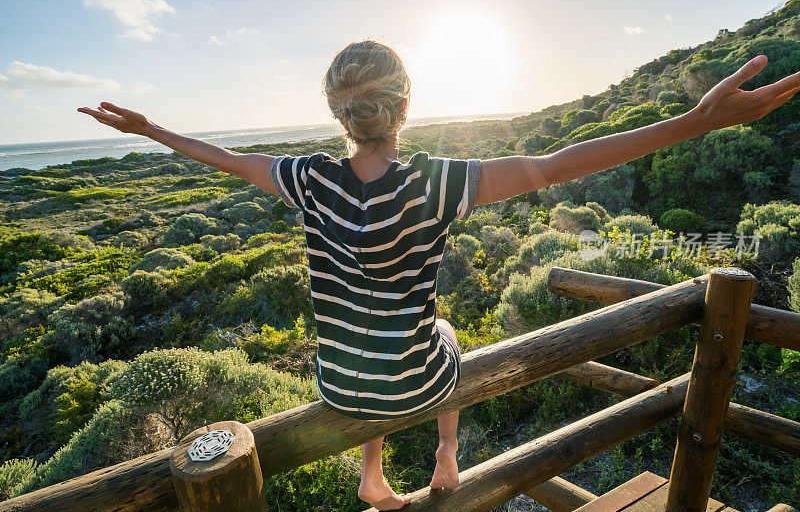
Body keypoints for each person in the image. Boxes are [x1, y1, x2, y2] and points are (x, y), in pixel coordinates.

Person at [78, 40, 799, 511]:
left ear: (338, 112)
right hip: (414, 383)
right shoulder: (436, 182)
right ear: (402, 108)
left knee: (377, 343)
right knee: (444, 328)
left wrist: (153, 132)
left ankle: (373, 471)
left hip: (338, 384)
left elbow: (228, 159)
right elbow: (556, 164)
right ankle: (447, 455)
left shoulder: (307, 178)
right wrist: (693, 121)